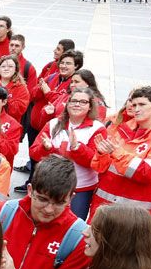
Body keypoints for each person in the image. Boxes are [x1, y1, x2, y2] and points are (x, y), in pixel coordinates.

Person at [89, 86, 151, 218]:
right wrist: (102, 154)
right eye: (134, 104)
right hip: (102, 207)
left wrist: (117, 153)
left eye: (142, 104)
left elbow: (147, 173)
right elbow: (99, 168)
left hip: (132, 216)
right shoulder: (123, 129)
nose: (136, 109)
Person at [30, 87, 108, 218]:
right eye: (74, 101)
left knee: (72, 226)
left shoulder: (97, 128)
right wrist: (46, 149)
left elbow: (94, 162)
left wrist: (77, 148)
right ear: (67, 104)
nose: (77, 104)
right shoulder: (53, 124)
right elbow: (33, 153)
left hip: (80, 188)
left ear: (90, 106)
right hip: (50, 185)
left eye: (83, 102)